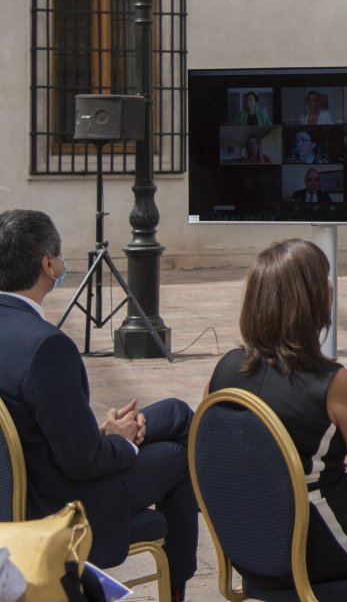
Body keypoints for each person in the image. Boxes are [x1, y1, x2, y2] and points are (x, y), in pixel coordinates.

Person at [207, 239, 347, 584]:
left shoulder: (223, 372)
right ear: (313, 301)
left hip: (252, 547)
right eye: (325, 282)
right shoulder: (332, 383)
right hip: (317, 547)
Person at [0, 210, 197, 601]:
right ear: (48, 263)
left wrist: (107, 433)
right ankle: (177, 584)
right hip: (57, 503)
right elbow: (81, 461)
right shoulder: (45, 346)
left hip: (19, 482)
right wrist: (122, 444)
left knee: (176, 413)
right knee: (178, 455)